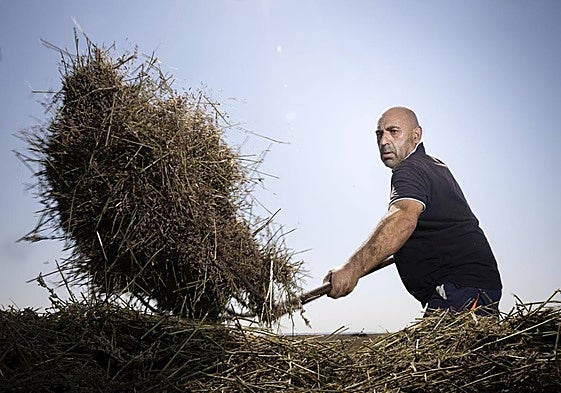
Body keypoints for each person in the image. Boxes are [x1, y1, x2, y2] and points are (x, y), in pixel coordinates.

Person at [324, 106, 502, 316]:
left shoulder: (410, 169)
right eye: (379, 134)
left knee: (430, 349)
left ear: (416, 135)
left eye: (393, 131)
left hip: (460, 290)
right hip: (473, 288)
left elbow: (402, 219)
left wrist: (351, 269)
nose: (383, 141)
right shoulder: (434, 166)